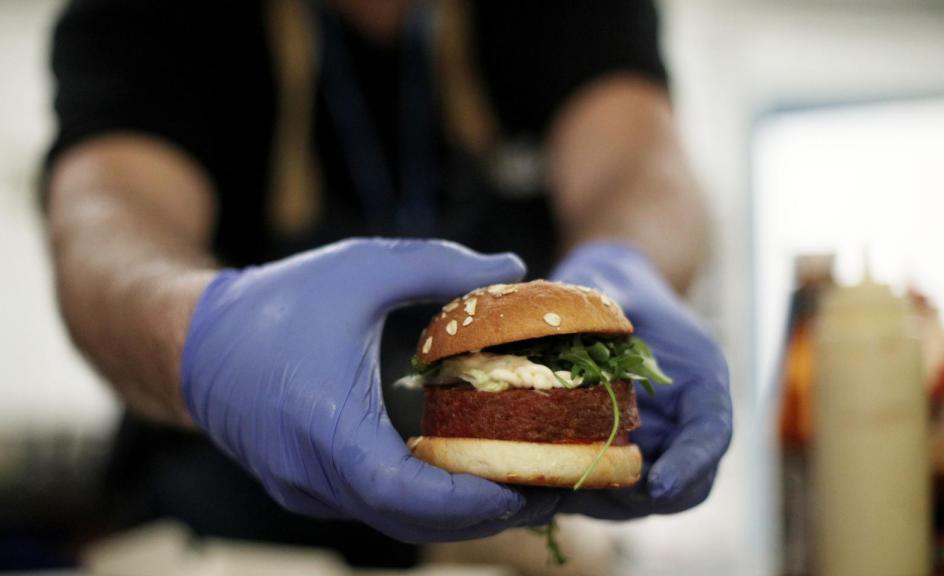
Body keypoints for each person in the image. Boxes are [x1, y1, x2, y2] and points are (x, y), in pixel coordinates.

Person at [43, 0, 732, 568]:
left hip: (504, 535)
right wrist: (203, 332)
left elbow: (639, 159)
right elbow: (106, 215)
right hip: (223, 537)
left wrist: (627, 263)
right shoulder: (147, 20)